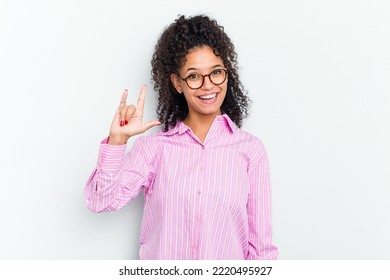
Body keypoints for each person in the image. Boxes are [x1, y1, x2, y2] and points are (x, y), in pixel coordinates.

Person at [84, 14, 278, 260]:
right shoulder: (153, 149)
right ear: (177, 83)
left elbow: (261, 250)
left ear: (227, 74)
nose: (208, 85)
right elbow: (100, 201)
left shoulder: (251, 150)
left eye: (216, 72)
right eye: (194, 76)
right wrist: (117, 142)